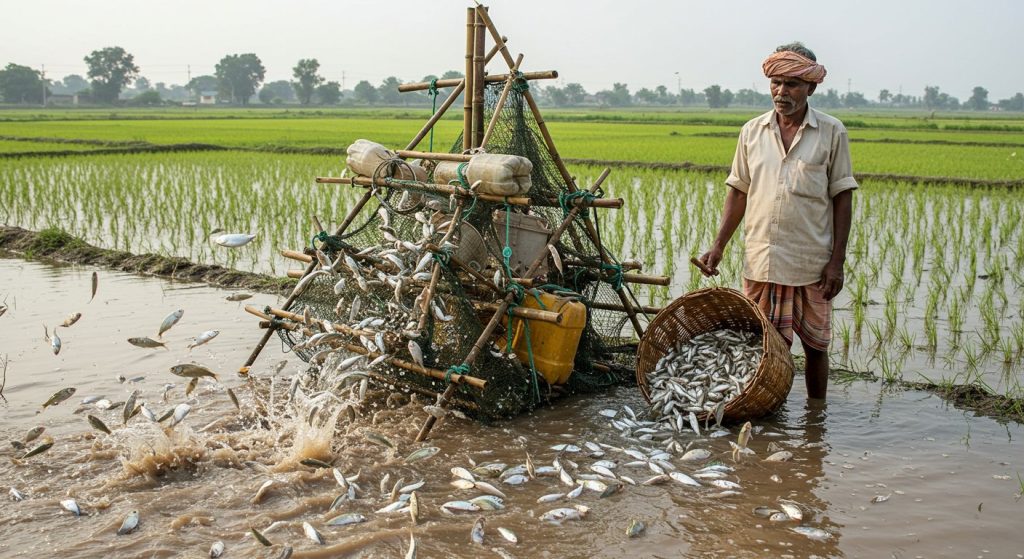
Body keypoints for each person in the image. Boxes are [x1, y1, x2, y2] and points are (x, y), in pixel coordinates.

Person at [698, 42, 856, 400]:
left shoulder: (832, 132)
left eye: (792, 84)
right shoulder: (752, 131)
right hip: (761, 260)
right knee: (760, 345)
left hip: (810, 262)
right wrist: (718, 246)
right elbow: (738, 191)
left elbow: (842, 196)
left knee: (816, 345)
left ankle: (817, 416)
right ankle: (766, 408)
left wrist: (837, 262)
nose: (781, 92)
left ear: (811, 87)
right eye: (776, 83)